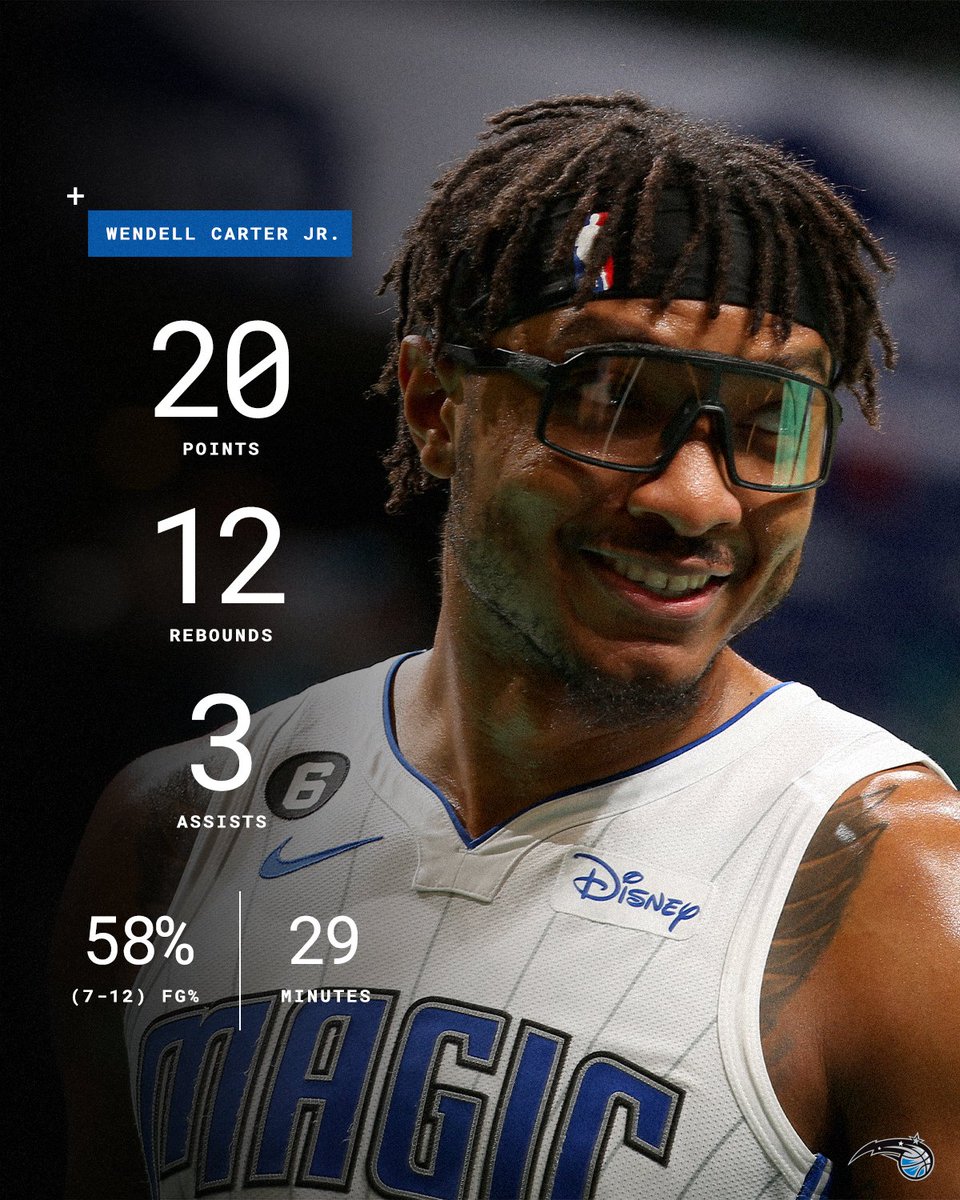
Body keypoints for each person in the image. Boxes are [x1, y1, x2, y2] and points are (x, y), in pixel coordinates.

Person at [54, 94, 958, 1200]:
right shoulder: (170, 830)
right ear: (436, 405)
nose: (697, 500)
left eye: (772, 426)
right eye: (614, 401)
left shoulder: (901, 888)